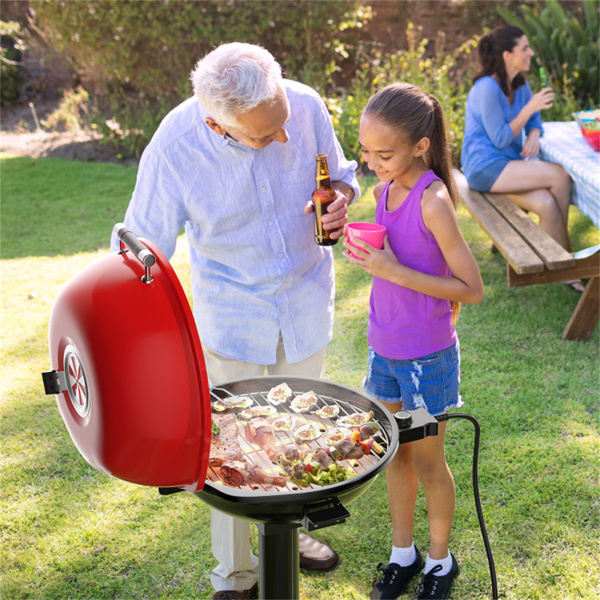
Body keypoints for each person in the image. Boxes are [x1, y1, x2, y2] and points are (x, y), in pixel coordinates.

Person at [112, 42, 360, 600]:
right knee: (229, 449)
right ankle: (235, 574)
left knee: (299, 432)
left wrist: (342, 197)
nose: (284, 139)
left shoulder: (304, 104)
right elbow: (140, 243)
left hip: (304, 299)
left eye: (282, 123)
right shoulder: (176, 145)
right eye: (263, 135)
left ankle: (292, 535)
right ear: (216, 122)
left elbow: (343, 175)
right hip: (232, 313)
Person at [342, 83, 484, 600]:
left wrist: (391, 271)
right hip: (385, 353)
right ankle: (404, 554)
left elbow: (472, 288)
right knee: (390, 453)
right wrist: (368, 259)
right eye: (365, 150)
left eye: (385, 153)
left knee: (426, 459)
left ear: (420, 146)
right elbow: (392, 264)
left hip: (425, 361)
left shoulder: (433, 200)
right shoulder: (382, 194)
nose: (373, 163)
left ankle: (441, 563)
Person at [461, 25, 579, 287]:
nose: (531, 53)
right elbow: (501, 138)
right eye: (525, 48)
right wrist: (528, 110)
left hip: (507, 166)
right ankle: (568, 261)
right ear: (507, 55)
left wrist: (534, 133)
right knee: (559, 176)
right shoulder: (486, 88)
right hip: (484, 166)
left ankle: (557, 264)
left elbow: (534, 120)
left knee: (547, 203)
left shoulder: (520, 85)